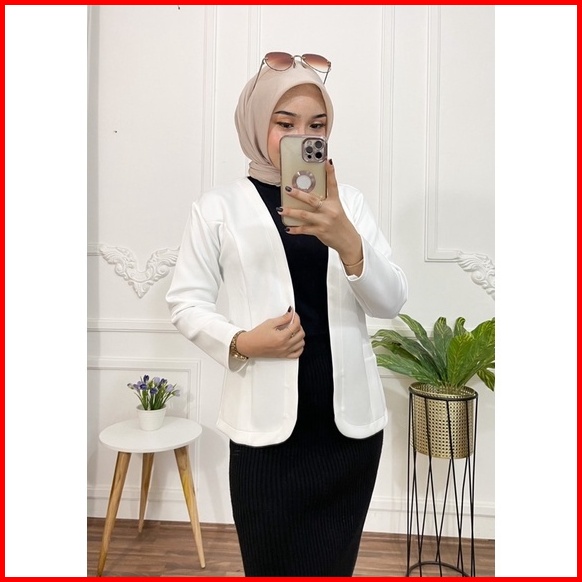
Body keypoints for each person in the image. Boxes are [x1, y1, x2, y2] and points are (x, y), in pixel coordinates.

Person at [166, 52, 408, 577]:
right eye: (285, 123)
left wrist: (347, 240)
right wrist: (241, 341)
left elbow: (391, 302)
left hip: (348, 432)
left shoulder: (349, 204)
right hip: (265, 433)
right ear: (257, 124)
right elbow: (185, 302)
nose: (303, 136)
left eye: (317, 125)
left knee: (334, 568)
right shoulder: (218, 208)